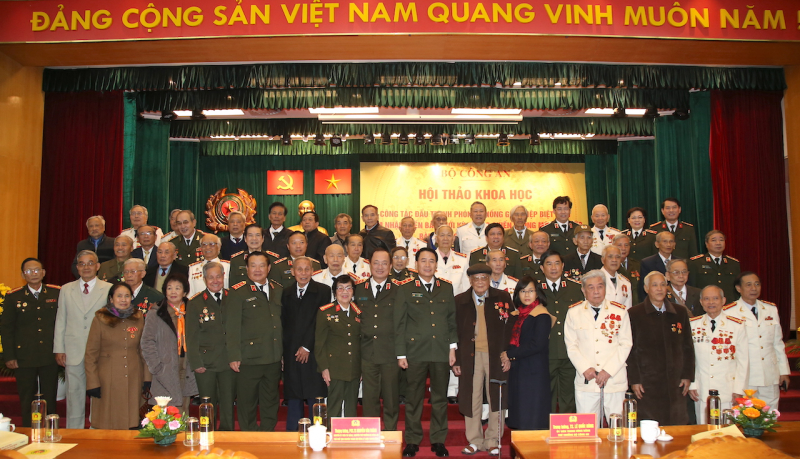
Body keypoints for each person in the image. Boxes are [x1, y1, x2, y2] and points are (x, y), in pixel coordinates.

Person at [394, 248, 457, 458]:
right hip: (415, 352)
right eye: (423, 261)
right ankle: (412, 440)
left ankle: (438, 440)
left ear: (436, 265)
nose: (427, 265)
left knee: (439, 398)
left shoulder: (446, 288)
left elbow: (451, 320)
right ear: (416, 264)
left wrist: (452, 348)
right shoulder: (405, 289)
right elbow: (399, 323)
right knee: (413, 399)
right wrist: (401, 354)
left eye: (431, 261)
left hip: (440, 350)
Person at [453, 264, 516, 456]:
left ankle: (493, 440)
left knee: (497, 396)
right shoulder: (460, 300)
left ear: (490, 279)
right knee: (472, 397)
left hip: (496, 356)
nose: (480, 282)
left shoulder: (503, 297)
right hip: (469, 356)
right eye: (476, 278)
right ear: (470, 280)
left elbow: (512, 327)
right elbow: (454, 331)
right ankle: (474, 440)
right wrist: (456, 360)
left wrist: (508, 354)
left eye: (484, 278)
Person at [565, 270, 632, 426]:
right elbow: (571, 345)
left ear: (605, 288)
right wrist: (584, 368)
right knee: (586, 428)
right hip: (587, 379)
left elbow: (626, 344)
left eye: (600, 287)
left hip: (614, 379)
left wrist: (608, 370)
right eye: (591, 287)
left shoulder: (620, 311)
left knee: (618, 427)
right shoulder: (574, 312)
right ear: (583, 290)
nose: (596, 291)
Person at [225, 252, 283, 431]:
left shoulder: (278, 289)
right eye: (253, 265)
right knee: (247, 401)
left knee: (270, 400)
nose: (258, 270)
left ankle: (267, 433)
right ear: (247, 269)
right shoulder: (238, 292)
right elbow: (232, 326)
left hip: (273, 356)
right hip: (249, 357)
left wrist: (282, 353)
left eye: (262, 265)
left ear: (269, 268)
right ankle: (249, 435)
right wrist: (234, 355)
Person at [627, 272, 694, 426]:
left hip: (675, 381)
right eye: (655, 285)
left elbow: (687, 347)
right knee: (649, 425)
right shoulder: (634, 314)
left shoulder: (680, 312)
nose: (659, 289)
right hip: (647, 382)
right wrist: (634, 380)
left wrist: (687, 375)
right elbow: (631, 350)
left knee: (677, 424)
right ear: (646, 289)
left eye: (663, 285)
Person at [54, 250, 112, 429]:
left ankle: (97, 429)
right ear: (77, 267)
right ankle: (74, 431)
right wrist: (59, 348)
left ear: (97, 266)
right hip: (73, 350)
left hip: (100, 351)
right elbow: (61, 319)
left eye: (90, 263)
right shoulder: (66, 289)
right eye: (82, 263)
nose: (86, 267)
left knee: (99, 394)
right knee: (74, 395)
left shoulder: (109, 289)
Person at [1, 258, 60, 427]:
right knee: (27, 396)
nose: (33, 274)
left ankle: (50, 429)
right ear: (22, 275)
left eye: (37, 270)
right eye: (28, 271)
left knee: (50, 395)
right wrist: (9, 356)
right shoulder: (14, 297)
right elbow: (7, 328)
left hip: (49, 354)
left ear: (43, 272)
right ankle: (28, 429)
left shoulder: (56, 293)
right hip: (24, 355)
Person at [84, 282, 150, 429]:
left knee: (133, 420)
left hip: (134, 376)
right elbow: (90, 354)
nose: (123, 299)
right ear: (111, 299)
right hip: (107, 378)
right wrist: (92, 383)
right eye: (119, 296)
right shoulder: (100, 318)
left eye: (127, 296)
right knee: (109, 421)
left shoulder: (138, 317)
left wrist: (147, 378)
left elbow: (143, 350)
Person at [726, 272, 791, 410]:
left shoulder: (770, 309)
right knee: (746, 414)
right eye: (748, 285)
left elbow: (777, 343)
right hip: (746, 375)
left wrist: (783, 371)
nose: (754, 288)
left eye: (757, 284)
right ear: (738, 288)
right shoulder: (729, 312)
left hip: (769, 373)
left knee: (770, 413)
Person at [186, 262, 237, 431]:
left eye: (218, 276)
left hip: (229, 361)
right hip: (205, 362)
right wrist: (196, 362)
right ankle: (207, 434)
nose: (215, 281)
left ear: (223, 276)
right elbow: (191, 336)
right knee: (207, 403)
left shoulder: (234, 298)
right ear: (204, 279)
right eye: (211, 277)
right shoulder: (195, 303)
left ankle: (227, 434)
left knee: (228, 402)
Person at [281, 257, 328, 431]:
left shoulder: (323, 291)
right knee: (294, 397)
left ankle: (318, 434)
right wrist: (284, 353)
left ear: (312, 271)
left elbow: (320, 323)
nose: (303, 273)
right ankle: (293, 435)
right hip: (292, 352)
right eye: (299, 269)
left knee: (315, 396)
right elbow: (284, 324)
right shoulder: (286, 293)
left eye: (307, 269)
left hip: (314, 352)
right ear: (293, 272)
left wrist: (307, 346)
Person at [688, 285, 748, 423]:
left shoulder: (737, 326)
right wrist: (693, 384)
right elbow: (690, 359)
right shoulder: (693, 325)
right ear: (701, 302)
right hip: (702, 388)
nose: (711, 302)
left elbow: (743, 361)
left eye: (715, 298)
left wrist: (739, 389)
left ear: (723, 301)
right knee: (704, 428)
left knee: (728, 430)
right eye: (706, 299)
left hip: (728, 389)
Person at [356, 248, 401, 431]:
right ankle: (370, 434)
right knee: (369, 398)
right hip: (367, 352)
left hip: (390, 352)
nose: (380, 267)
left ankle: (390, 434)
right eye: (376, 262)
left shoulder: (398, 290)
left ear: (390, 266)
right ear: (369, 265)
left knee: (391, 398)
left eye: (384, 263)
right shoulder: (359, 288)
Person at [141, 272, 199, 410]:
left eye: (177, 288)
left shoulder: (193, 310)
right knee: (166, 409)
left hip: (187, 365)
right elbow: (147, 341)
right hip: (165, 366)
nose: (173, 292)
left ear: (185, 292)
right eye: (169, 288)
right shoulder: (156, 312)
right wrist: (156, 366)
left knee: (184, 406)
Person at [539, 250, 584, 413]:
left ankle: (567, 426)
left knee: (569, 395)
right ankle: (547, 426)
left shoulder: (576, 288)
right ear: (542, 268)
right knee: (546, 394)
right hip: (546, 351)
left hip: (569, 352)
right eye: (549, 264)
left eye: (557, 263)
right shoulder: (535, 289)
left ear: (563, 266)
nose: (553, 268)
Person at [506, 277, 554, 431]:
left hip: (534, 371)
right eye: (523, 291)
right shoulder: (516, 315)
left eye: (531, 291)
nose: (527, 295)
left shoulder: (542, 315)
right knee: (519, 412)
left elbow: (537, 345)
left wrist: (509, 353)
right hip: (517, 369)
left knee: (532, 413)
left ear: (537, 293)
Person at [315, 275, 362, 422]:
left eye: (348, 288)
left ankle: (349, 435)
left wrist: (361, 368)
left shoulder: (358, 312)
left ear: (353, 291)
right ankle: (330, 434)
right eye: (340, 288)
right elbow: (319, 343)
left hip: (354, 367)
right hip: (334, 368)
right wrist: (324, 368)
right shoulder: (325, 312)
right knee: (334, 407)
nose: (344, 292)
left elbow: (360, 342)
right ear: (335, 292)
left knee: (351, 408)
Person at [688, 230, 741, 303]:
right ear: (706, 244)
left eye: (721, 240)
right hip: (705, 304)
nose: (718, 243)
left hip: (728, 304)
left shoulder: (733, 263)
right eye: (714, 240)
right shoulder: (696, 263)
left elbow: (737, 289)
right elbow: (692, 287)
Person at [638, 231, 676, 300]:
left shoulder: (680, 262)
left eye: (671, 241)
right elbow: (643, 289)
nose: (668, 245)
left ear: (674, 244)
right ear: (657, 244)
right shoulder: (647, 263)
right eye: (665, 241)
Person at [433, 224, 469, 295]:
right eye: (442, 235)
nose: (445, 238)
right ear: (436, 239)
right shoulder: (429, 259)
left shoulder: (463, 260)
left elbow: (466, 286)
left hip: (457, 300)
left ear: (453, 239)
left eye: (449, 235)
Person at [613, 234, 642, 306]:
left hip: (636, 305)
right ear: (613, 246)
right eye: (619, 245)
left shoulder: (637, 265)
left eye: (626, 245)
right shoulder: (610, 266)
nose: (623, 248)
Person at [600, 245, 632, 309]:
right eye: (610, 257)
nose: (614, 260)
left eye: (617, 257)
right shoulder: (594, 279)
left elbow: (628, 309)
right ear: (603, 260)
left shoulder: (626, 283)